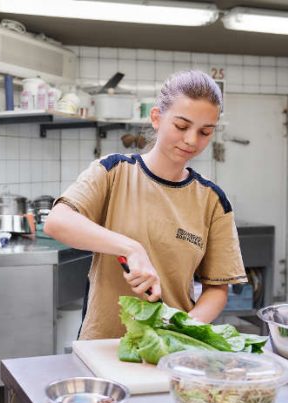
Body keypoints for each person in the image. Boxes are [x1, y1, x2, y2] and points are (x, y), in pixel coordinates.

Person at [44, 70, 247, 340]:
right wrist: (130, 248)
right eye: (182, 126)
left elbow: (217, 288)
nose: (191, 140)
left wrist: (183, 327)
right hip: (105, 344)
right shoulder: (113, 171)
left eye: (205, 132)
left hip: (170, 350)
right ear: (156, 118)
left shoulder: (212, 200)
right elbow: (58, 222)